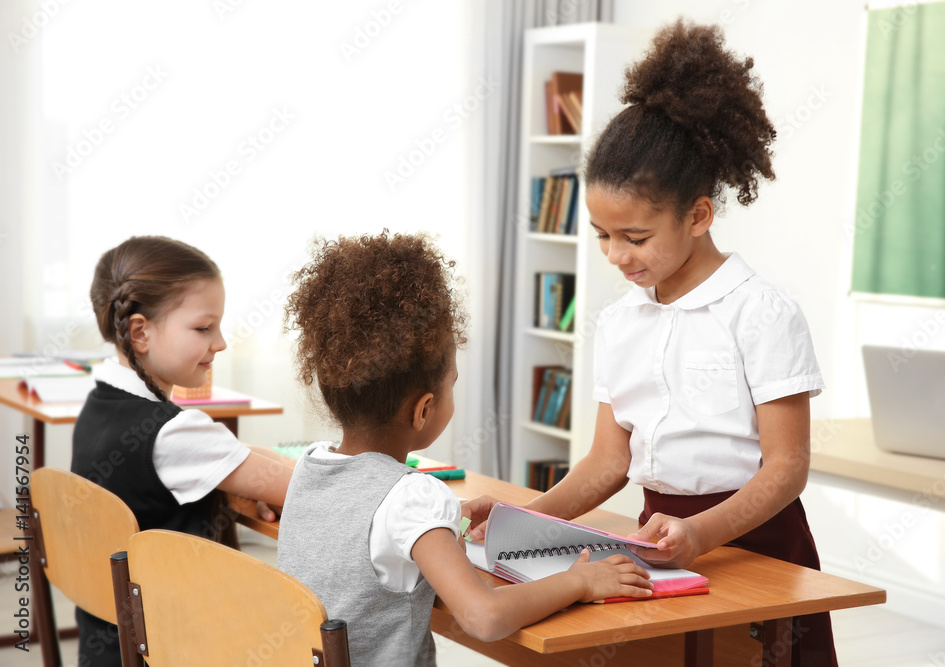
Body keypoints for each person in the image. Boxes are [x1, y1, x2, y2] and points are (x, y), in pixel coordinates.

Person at [469, 20, 836, 666]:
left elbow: (786, 467)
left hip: (757, 544)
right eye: (602, 234)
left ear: (698, 215)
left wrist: (701, 531)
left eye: (634, 238)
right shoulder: (620, 322)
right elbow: (609, 462)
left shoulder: (760, 311)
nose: (615, 255)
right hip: (660, 543)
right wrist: (516, 521)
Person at [276, 231, 653, 667]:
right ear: (423, 410)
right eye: (451, 384)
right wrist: (580, 582)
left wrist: (446, 521)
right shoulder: (414, 497)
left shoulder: (309, 466)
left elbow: (367, 517)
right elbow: (484, 617)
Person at [71, 235, 294, 667]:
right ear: (141, 332)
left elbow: (229, 457)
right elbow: (303, 491)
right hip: (182, 646)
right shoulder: (175, 433)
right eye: (203, 327)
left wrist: (244, 472)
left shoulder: (99, 406)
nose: (222, 343)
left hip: (112, 643)